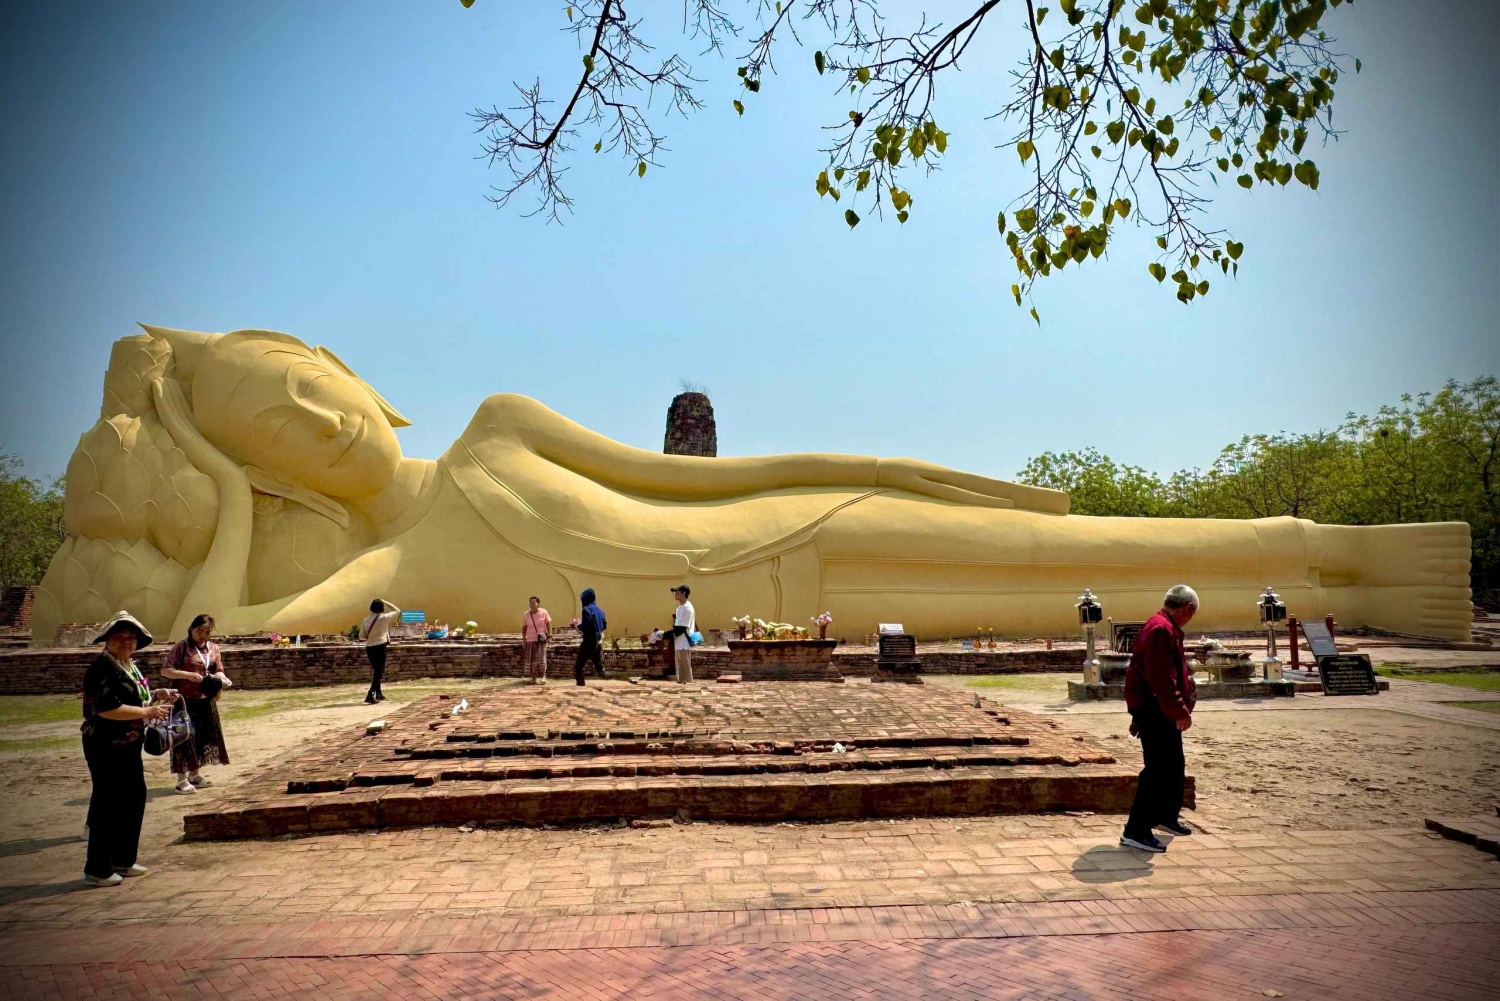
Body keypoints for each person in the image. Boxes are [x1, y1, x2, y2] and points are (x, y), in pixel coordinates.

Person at [80, 611, 174, 887]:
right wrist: (147, 711)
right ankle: (97, 868)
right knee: (109, 802)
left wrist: (157, 695)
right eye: (119, 637)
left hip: (129, 743)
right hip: (105, 744)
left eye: (131, 637)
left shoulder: (128, 666)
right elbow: (107, 708)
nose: (126, 642)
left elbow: (133, 696)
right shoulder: (101, 668)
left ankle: (122, 859)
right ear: (107, 640)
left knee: (133, 798)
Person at [1119, 584, 1200, 854]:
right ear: (1186, 609)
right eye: (1192, 613)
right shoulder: (1161, 630)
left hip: (1154, 708)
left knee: (1174, 765)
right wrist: (1179, 710)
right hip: (1156, 708)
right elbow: (1161, 679)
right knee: (1157, 769)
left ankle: (1166, 815)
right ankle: (1136, 829)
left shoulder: (1164, 627)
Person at [159, 613, 234, 794]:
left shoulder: (213, 648)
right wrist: (187, 675)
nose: (203, 635)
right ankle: (181, 779)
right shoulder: (181, 647)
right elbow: (166, 671)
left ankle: (195, 774)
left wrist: (224, 679)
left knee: (200, 738)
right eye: (199, 631)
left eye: (207, 632)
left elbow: (218, 670)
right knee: (183, 738)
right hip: (183, 701)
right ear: (192, 629)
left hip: (205, 700)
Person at [360, 598, 401, 704]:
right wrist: (386, 602)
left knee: (376, 670)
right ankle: (370, 694)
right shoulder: (383, 618)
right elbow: (397, 610)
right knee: (379, 672)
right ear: (381, 607)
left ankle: (378, 693)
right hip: (380, 646)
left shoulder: (365, 620)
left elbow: (362, 636)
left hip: (369, 647)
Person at [573, 588, 606, 686]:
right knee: (597, 660)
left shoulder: (586, 609)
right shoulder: (601, 610)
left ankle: (580, 683)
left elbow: (587, 625)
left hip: (589, 640)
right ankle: (603, 673)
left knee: (579, 664)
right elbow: (604, 625)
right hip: (598, 638)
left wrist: (576, 626)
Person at [667, 585, 696, 684]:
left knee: (685, 667)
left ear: (683, 593)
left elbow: (683, 628)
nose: (675, 594)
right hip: (678, 641)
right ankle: (682, 684)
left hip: (685, 641)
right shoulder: (679, 608)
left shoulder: (688, 608)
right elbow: (676, 626)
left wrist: (664, 635)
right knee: (679, 667)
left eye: (678, 592)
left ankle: (687, 687)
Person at [522, 596, 552, 684]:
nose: (531, 605)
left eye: (533, 603)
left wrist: (550, 634)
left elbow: (548, 623)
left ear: (538, 603)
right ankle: (533, 677)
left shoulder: (544, 612)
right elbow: (524, 628)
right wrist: (524, 639)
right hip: (530, 639)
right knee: (532, 660)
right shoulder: (526, 615)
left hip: (541, 639)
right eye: (530, 603)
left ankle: (543, 676)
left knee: (542, 658)